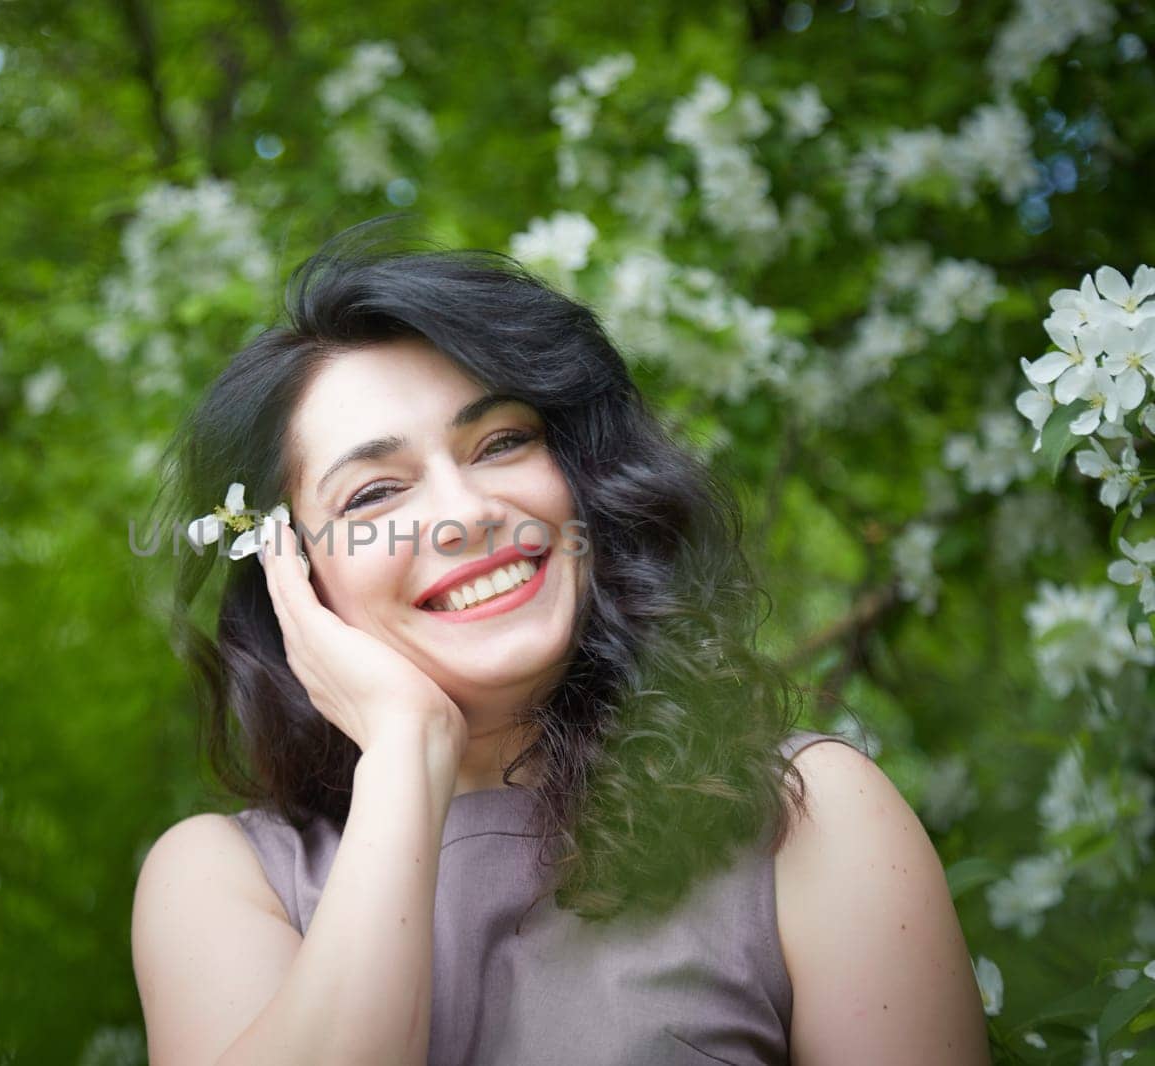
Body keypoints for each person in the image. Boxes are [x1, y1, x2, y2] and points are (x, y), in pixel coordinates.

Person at [130, 226, 990, 1066]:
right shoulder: (223, 879)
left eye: (503, 442)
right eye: (374, 494)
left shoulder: (810, 815)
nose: (467, 514)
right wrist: (406, 748)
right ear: (292, 573)